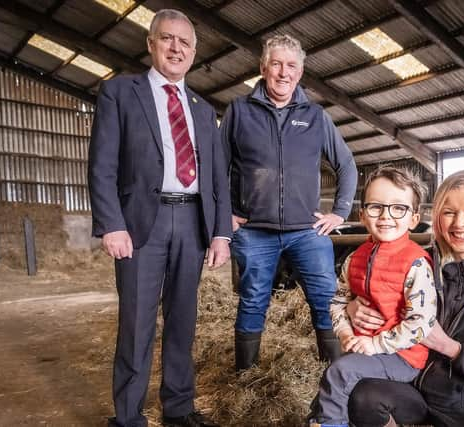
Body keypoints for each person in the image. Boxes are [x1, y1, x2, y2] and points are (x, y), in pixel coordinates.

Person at [88, 9, 231, 427]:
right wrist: (111, 223)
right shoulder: (120, 93)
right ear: (150, 44)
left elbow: (217, 177)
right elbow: (102, 165)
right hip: (139, 225)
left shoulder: (204, 111)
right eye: (167, 39)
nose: (176, 48)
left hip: (191, 221)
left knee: (183, 320)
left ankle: (179, 408)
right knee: (137, 322)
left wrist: (221, 233)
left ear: (193, 53)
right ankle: (129, 417)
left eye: (185, 43)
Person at [345, 169, 464, 427]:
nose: (459, 223)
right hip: (408, 386)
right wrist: (352, 306)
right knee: (363, 396)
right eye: (449, 212)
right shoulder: (415, 263)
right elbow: (360, 287)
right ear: (436, 219)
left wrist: (449, 347)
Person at [220, 34, 357, 370]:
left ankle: (333, 371)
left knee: (325, 299)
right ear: (263, 67)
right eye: (277, 64)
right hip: (254, 231)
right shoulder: (239, 111)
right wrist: (225, 214)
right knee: (253, 300)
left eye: (291, 65)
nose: (284, 72)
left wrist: (339, 212)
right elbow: (215, 168)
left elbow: (347, 164)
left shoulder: (315, 116)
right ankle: (245, 375)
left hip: (307, 231)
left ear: (301, 71)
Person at [308, 167, 437, 427]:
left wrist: (375, 345)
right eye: (376, 207)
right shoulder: (354, 258)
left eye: (398, 208)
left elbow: (422, 323)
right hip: (366, 350)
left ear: (414, 218)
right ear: (362, 214)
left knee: (340, 372)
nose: (386, 216)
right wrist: (345, 333)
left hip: (403, 356)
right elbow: (339, 302)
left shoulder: (415, 263)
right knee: (328, 391)